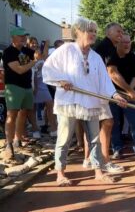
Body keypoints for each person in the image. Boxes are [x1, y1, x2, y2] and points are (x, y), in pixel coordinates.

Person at [42, 17, 127, 186]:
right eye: (90, 31)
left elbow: (104, 81)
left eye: (95, 31)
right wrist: (61, 80)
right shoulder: (66, 50)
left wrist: (116, 96)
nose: (94, 34)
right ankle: (60, 173)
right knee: (64, 138)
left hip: (91, 102)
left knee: (94, 139)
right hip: (69, 101)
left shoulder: (95, 57)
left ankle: (98, 171)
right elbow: (49, 68)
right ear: (79, 32)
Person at [94, 22, 135, 172]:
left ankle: (93, 159)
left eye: (122, 31)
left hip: (102, 89)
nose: (120, 34)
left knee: (102, 124)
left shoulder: (108, 46)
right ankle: (104, 162)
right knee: (107, 123)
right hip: (99, 90)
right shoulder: (107, 48)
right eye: (118, 31)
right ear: (108, 32)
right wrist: (130, 90)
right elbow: (112, 72)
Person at [107, 34, 135, 159]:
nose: (127, 45)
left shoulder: (133, 57)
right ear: (118, 43)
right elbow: (113, 74)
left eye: (129, 42)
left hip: (129, 94)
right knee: (114, 123)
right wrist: (128, 90)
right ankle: (117, 148)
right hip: (113, 95)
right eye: (124, 42)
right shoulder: (112, 56)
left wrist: (130, 91)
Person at [2, 27, 37, 159]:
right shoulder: (8, 52)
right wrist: (34, 61)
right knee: (12, 114)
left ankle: (18, 139)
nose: (23, 38)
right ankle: (9, 144)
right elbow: (20, 70)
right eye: (21, 36)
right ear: (13, 37)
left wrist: (42, 49)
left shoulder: (26, 50)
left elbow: (40, 55)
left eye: (24, 36)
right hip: (14, 86)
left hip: (27, 86)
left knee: (24, 112)